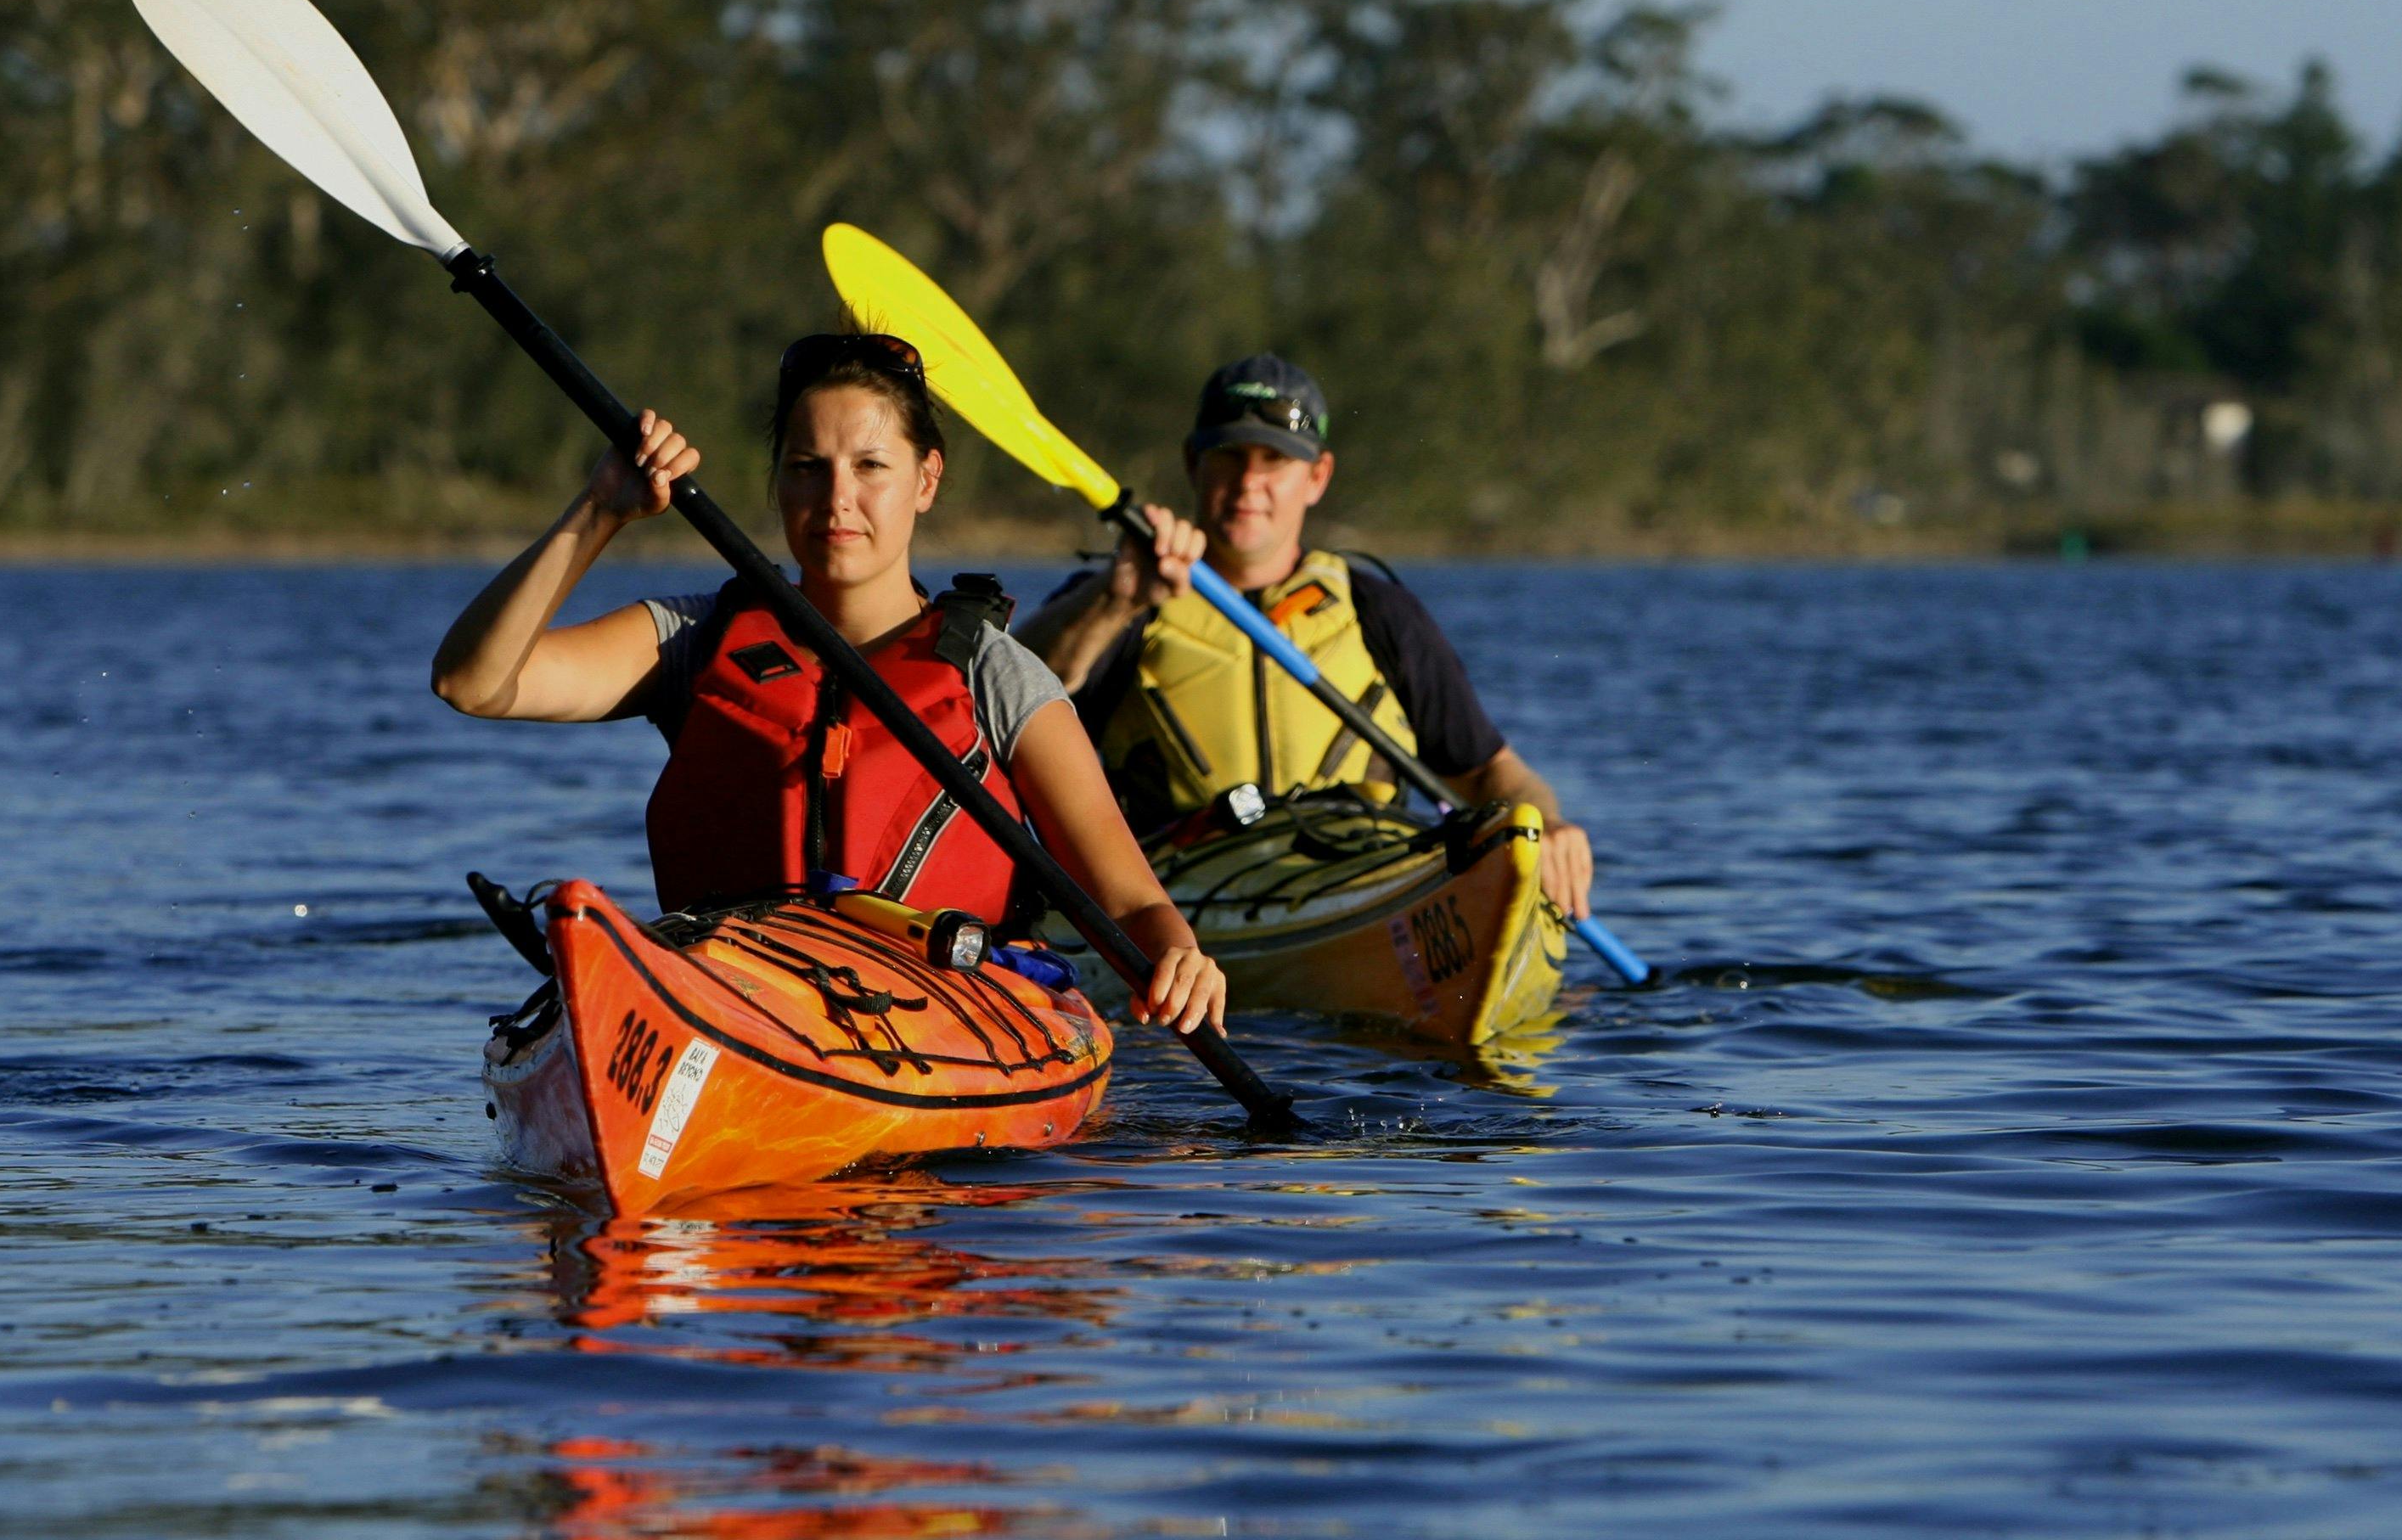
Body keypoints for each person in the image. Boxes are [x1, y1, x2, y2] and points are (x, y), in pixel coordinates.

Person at [429, 331, 1229, 1035]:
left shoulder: (995, 674)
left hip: (937, 1023)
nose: (836, 498)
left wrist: (1180, 958)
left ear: (927, 479)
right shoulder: (695, 639)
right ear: (776, 481)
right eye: (807, 467)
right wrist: (600, 509)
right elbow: (474, 681)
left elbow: (1128, 903)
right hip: (734, 1005)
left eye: (871, 466)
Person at [1015, 353, 1596, 923]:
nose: (1249, 482)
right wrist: (1115, 600)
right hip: (1183, 896)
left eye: (1274, 461)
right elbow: (1001, 707)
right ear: (1194, 463)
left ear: (1317, 476)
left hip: (1362, 881)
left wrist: (1543, 825)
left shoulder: (1378, 612)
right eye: (1231, 456)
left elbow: (1491, 772)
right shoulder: (1119, 599)